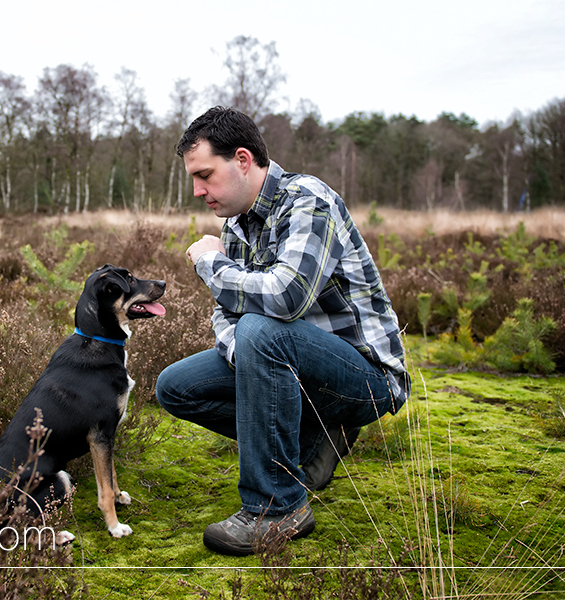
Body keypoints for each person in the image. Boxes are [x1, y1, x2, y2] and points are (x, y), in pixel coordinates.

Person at [156, 106, 410, 557]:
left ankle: (277, 509)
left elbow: (286, 296)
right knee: (175, 387)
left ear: (241, 159)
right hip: (296, 368)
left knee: (260, 331)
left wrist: (212, 264)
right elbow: (226, 314)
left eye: (204, 175)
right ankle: (313, 440)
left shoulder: (308, 201)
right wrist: (249, 353)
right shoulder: (235, 226)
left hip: (365, 379)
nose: (197, 191)